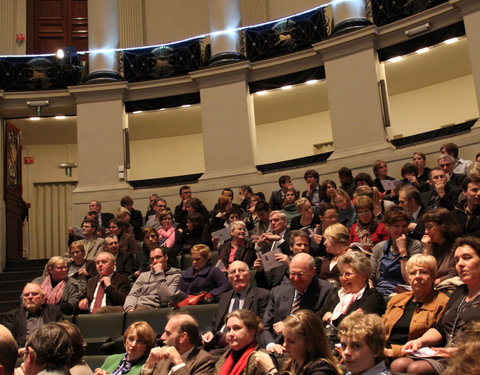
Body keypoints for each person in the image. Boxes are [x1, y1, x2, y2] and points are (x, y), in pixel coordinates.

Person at [390, 236, 480, 375]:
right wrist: (419, 342)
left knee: (415, 369)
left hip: (470, 358)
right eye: (456, 260)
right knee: (398, 365)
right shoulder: (460, 292)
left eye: (467, 258)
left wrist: (459, 351)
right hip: (444, 354)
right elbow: (440, 327)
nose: (460, 264)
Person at [261, 253, 335, 355]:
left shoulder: (326, 291)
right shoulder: (278, 291)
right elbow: (265, 327)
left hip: (306, 350)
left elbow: (318, 325)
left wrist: (289, 326)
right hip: (276, 348)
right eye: (292, 273)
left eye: (300, 274)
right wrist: (271, 345)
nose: (295, 279)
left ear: (313, 271)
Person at [382, 254, 449, 358]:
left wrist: (392, 352)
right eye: (413, 273)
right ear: (408, 278)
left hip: (412, 356)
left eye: (423, 272)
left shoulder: (443, 303)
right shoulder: (396, 300)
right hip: (383, 351)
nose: (417, 276)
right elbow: (381, 328)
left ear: (433, 276)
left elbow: (436, 341)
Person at [202, 261, 270, 352]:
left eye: (241, 270)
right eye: (233, 272)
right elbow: (214, 324)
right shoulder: (224, 297)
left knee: (209, 356)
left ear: (249, 275)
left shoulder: (262, 295)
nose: (237, 274)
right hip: (217, 342)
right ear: (229, 278)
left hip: (242, 344)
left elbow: (261, 325)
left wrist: (231, 336)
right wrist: (209, 332)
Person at [257, 310, 342, 375]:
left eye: (292, 341)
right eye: (285, 339)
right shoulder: (291, 363)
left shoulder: (322, 369)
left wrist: (271, 371)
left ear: (309, 342)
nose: (284, 345)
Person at [319, 251, 385, 327]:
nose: (342, 278)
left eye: (348, 274)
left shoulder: (373, 297)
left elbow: (357, 324)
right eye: (341, 274)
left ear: (363, 276)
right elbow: (319, 317)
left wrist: (331, 318)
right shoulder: (336, 293)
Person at [370, 206, 422, 296]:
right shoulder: (379, 247)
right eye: (396, 226)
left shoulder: (415, 245)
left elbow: (409, 278)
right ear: (388, 227)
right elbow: (371, 275)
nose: (401, 230)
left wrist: (403, 251)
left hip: (402, 293)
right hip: (379, 292)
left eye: (404, 226)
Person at [141, 312, 215, 375]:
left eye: (168, 333)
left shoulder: (204, 361)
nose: (162, 337)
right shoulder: (162, 359)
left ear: (183, 337)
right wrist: (149, 364)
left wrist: (178, 362)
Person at [1, 283, 63, 348]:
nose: (30, 297)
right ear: (22, 299)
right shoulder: (11, 316)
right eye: (26, 295)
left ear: (42, 297)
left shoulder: (55, 312)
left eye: (35, 294)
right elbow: (8, 341)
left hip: (49, 351)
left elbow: (62, 335)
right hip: (23, 353)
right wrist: (18, 350)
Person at [214, 309, 272, 375]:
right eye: (228, 329)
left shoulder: (263, 358)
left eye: (236, 328)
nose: (230, 334)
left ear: (252, 331)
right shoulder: (224, 358)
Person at [421, 207, 461, 285]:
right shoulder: (429, 245)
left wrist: (430, 284)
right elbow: (424, 272)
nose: (426, 232)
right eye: (425, 227)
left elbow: (454, 275)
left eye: (430, 227)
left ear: (444, 226)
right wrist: (427, 250)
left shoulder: (457, 245)